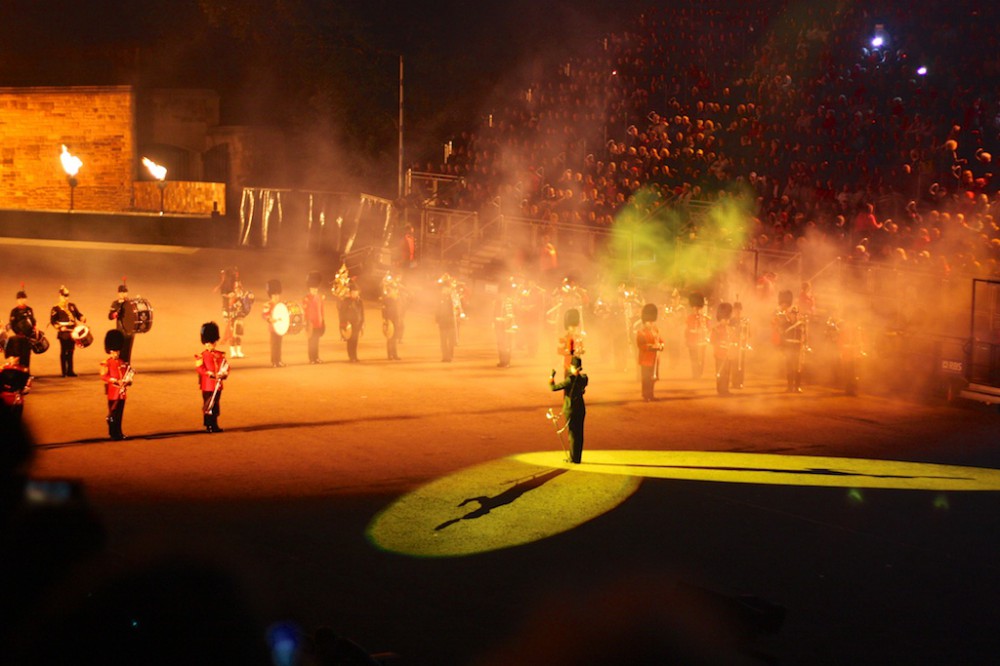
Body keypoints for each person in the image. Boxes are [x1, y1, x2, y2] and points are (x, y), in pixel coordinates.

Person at [549, 356, 588, 464]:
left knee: (572, 434)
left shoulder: (569, 380)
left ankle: (573, 458)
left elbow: (553, 387)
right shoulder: (584, 378)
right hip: (581, 408)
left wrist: (551, 376)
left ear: (573, 367)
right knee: (579, 434)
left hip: (571, 409)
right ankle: (577, 457)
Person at [196, 321, 229, 433]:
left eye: (211, 343)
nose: (210, 345)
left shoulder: (220, 355)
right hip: (207, 385)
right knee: (208, 405)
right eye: (208, 344)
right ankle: (209, 425)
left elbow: (226, 365)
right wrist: (208, 373)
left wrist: (224, 373)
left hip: (217, 384)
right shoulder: (201, 356)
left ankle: (214, 424)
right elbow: (199, 368)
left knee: (215, 405)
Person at [100, 329, 132, 440]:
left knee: (119, 415)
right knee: (113, 414)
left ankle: (118, 432)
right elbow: (103, 376)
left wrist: (128, 380)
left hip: (121, 392)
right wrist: (114, 380)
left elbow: (127, 375)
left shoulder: (122, 362)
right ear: (110, 351)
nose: (116, 353)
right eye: (114, 351)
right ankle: (113, 433)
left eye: (117, 351)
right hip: (113, 391)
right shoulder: (106, 363)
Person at [50, 285, 86, 377]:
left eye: (67, 296)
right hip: (63, 333)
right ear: (60, 296)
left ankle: (70, 371)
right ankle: (64, 372)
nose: (66, 298)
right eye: (64, 296)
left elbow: (78, 315)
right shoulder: (56, 308)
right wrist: (59, 328)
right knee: (64, 351)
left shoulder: (72, 306)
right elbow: (53, 321)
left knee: (71, 351)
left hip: (72, 332)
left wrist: (82, 318)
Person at [636, 303, 664, 401]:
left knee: (653, 378)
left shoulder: (656, 330)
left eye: (652, 322)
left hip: (654, 359)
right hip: (645, 359)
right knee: (646, 379)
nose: (651, 324)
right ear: (645, 322)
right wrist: (652, 347)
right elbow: (641, 346)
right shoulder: (641, 333)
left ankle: (651, 395)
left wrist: (661, 346)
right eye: (649, 322)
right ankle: (645, 395)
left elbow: (661, 340)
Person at [1, 338, 32, 420]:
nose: (14, 359)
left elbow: (26, 386)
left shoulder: (5, 369)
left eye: (15, 357)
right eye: (13, 357)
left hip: (14, 395)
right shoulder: (5, 369)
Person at [224, 278, 253, 359]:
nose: (238, 289)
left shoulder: (243, 296)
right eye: (236, 288)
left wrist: (250, 297)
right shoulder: (232, 296)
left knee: (239, 335)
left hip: (240, 318)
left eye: (239, 288)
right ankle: (233, 352)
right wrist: (226, 317)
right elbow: (226, 308)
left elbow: (249, 300)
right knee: (232, 336)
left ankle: (239, 351)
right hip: (232, 318)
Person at [8, 288, 37, 371]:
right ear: (17, 300)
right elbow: (12, 325)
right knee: (19, 355)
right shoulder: (14, 311)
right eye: (19, 299)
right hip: (19, 337)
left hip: (28, 337)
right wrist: (19, 333)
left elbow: (32, 321)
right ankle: (20, 374)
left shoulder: (29, 310)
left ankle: (26, 373)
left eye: (23, 298)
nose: (21, 300)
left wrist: (34, 328)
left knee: (27, 355)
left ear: (26, 299)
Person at [107, 282, 135, 363]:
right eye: (122, 292)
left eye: (125, 292)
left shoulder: (130, 303)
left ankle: (127, 365)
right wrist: (114, 315)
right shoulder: (116, 304)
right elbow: (110, 316)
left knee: (128, 350)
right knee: (120, 349)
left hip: (130, 330)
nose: (124, 294)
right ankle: (120, 366)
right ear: (118, 293)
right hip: (120, 330)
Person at [302, 271, 326, 364]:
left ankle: (316, 357)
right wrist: (307, 323)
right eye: (313, 289)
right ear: (309, 289)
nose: (314, 291)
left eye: (316, 289)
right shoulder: (306, 299)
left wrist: (322, 321)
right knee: (311, 342)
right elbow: (305, 312)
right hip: (310, 324)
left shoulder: (319, 298)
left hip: (318, 323)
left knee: (316, 342)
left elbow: (322, 310)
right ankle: (311, 359)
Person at [710, 302, 734, 396]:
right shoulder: (716, 329)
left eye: (727, 319)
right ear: (721, 319)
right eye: (725, 319)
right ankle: (720, 389)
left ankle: (725, 389)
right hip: (719, 354)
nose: (727, 321)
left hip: (728, 354)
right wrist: (721, 344)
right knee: (720, 372)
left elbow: (732, 339)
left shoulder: (729, 329)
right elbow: (712, 341)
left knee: (727, 373)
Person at [338, 281, 365, 362]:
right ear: (350, 293)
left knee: (355, 341)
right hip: (349, 325)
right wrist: (343, 325)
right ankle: (351, 356)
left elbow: (362, 313)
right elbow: (342, 313)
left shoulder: (360, 301)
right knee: (350, 341)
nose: (354, 293)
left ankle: (355, 356)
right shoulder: (346, 301)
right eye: (353, 292)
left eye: (356, 292)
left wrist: (362, 323)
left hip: (357, 324)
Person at [684, 292, 709, 379]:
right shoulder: (689, 317)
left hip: (702, 341)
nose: (696, 309)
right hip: (692, 340)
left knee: (701, 358)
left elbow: (707, 328)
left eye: (698, 307)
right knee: (693, 358)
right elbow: (687, 329)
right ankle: (695, 373)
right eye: (695, 307)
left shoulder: (704, 318)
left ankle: (700, 372)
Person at [435, 276, 460, 362]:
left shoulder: (454, 297)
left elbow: (457, 307)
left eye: (447, 288)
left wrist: (457, 310)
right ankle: (444, 356)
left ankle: (450, 356)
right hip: (443, 321)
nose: (445, 290)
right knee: (443, 341)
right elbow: (437, 308)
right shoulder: (439, 297)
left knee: (450, 341)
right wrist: (437, 319)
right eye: (444, 288)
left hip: (451, 321)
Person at [380, 271, 404, 360]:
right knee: (390, 338)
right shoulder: (387, 300)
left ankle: (395, 354)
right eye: (394, 290)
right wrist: (385, 320)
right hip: (390, 320)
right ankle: (390, 354)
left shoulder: (398, 299)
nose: (396, 291)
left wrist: (400, 319)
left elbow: (400, 310)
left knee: (395, 338)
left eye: (396, 290)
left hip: (397, 320)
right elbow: (384, 311)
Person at [261, 279, 285, 368]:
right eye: (275, 295)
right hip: (273, 328)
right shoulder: (268, 304)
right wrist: (270, 319)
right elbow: (264, 315)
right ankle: (274, 361)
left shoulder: (281, 304)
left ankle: (279, 360)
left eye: (278, 295)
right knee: (274, 345)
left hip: (280, 327)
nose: (276, 297)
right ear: (271, 295)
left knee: (279, 345)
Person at [493, 279, 517, 368]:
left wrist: (503, 320)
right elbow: (494, 313)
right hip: (499, 326)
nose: (500, 295)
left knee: (507, 345)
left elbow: (511, 315)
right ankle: (502, 360)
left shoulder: (509, 302)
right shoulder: (497, 302)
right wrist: (494, 321)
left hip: (507, 326)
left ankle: (507, 361)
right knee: (500, 344)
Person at [557, 308, 585, 376]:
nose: (573, 329)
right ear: (568, 328)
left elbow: (582, 349)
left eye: (575, 327)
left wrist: (582, 350)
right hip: (568, 364)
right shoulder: (563, 338)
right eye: (571, 327)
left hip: (577, 364)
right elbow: (559, 351)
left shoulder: (579, 338)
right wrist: (568, 352)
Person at [729, 301, 750, 390]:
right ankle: (734, 382)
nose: (737, 311)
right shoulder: (731, 321)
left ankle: (740, 382)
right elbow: (729, 332)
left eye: (739, 310)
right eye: (736, 310)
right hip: (734, 344)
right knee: (734, 364)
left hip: (742, 345)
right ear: (734, 311)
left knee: (741, 364)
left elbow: (749, 332)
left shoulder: (745, 320)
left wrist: (744, 336)